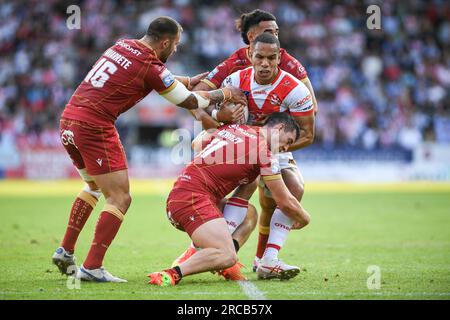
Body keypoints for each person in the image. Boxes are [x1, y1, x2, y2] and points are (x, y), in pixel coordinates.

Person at [52, 16, 246, 283]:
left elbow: (152, 77)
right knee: (120, 198)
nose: (175, 50)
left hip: (69, 120)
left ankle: (66, 249)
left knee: (94, 187)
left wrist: (187, 79)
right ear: (165, 42)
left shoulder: (123, 45)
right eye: (175, 45)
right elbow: (186, 100)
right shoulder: (149, 64)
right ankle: (92, 267)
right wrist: (224, 94)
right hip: (95, 125)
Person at [172, 9, 317, 272]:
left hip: (270, 143)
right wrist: (218, 114)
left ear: (278, 55)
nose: (265, 63)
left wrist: (270, 150)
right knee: (204, 149)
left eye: (275, 36)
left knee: (293, 188)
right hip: (235, 139)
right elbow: (195, 99)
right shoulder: (234, 75)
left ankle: (266, 259)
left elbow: (308, 132)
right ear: (250, 48)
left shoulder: (294, 82)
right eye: (259, 55)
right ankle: (205, 248)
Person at [148, 112, 310, 286]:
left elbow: (197, 144)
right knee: (227, 255)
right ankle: (172, 273)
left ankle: (216, 258)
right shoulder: (265, 153)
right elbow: (285, 200)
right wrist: (305, 219)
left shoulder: (234, 128)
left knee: (250, 214)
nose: (286, 148)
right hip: (192, 201)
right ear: (279, 128)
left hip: (183, 195)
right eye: (289, 141)